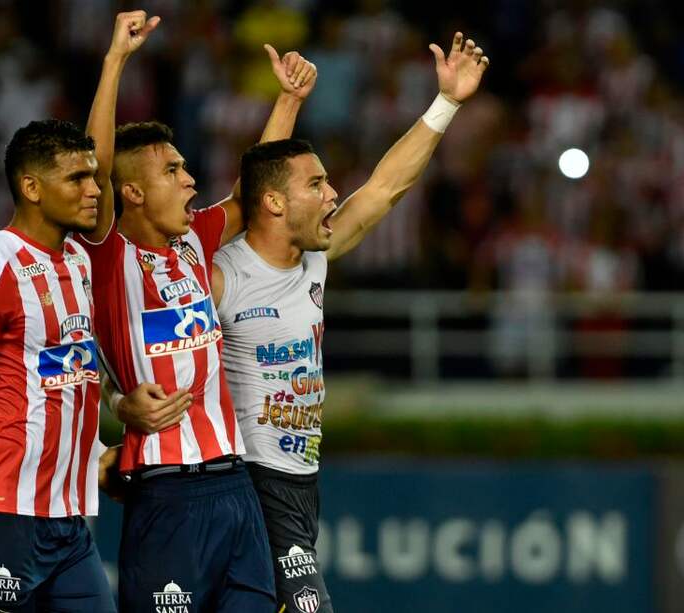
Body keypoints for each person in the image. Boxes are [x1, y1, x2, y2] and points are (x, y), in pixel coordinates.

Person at [212, 32, 490, 613]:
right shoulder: (223, 275)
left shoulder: (314, 257)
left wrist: (447, 104)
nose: (334, 194)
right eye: (317, 184)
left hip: (300, 480)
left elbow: (388, 187)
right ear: (276, 205)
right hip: (247, 478)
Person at [76, 10, 316, 613]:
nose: (189, 181)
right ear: (130, 192)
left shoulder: (194, 239)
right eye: (173, 171)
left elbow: (249, 192)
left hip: (235, 487)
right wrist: (114, 62)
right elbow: (96, 169)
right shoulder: (108, 255)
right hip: (166, 494)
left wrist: (287, 102)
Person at [0, 117, 118, 612]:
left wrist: (96, 447)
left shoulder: (77, 260)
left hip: (70, 522)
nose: (94, 189)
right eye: (77, 178)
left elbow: (62, 375)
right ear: (31, 187)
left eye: (93, 176)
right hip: (0, 518)